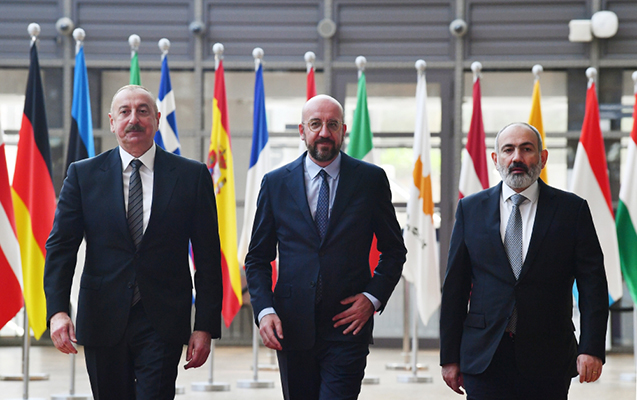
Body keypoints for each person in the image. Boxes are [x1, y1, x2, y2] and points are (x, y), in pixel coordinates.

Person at [44, 85, 223, 400]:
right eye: (125, 112)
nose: (134, 119)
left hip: (163, 321)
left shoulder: (191, 176)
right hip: (102, 317)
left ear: (156, 119)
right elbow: (61, 249)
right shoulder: (83, 175)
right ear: (112, 122)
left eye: (143, 111)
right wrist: (57, 311)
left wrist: (205, 326)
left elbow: (208, 257)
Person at [244, 94, 406, 400]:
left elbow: (395, 251)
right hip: (291, 326)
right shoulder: (275, 183)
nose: (324, 132)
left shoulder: (370, 180)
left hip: (348, 325)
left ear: (343, 130)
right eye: (315, 124)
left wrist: (371, 298)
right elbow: (257, 259)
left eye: (332, 125)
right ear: (302, 131)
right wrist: (264, 311)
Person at [440, 122, 609, 399]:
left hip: (549, 357)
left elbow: (593, 286)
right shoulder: (470, 209)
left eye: (526, 149)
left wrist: (591, 348)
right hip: (484, 356)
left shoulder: (572, 210)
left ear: (542, 158)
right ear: (496, 159)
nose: (516, 158)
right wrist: (449, 356)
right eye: (508, 150)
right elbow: (454, 289)